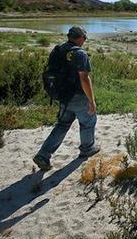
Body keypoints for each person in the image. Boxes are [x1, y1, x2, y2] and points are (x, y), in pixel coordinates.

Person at [33, 26, 100, 170]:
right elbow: (84, 78)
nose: (85, 41)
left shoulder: (59, 49)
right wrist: (91, 101)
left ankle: (43, 154)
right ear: (80, 37)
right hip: (77, 95)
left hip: (63, 95)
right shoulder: (80, 53)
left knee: (62, 125)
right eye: (85, 38)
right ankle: (87, 149)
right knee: (89, 121)